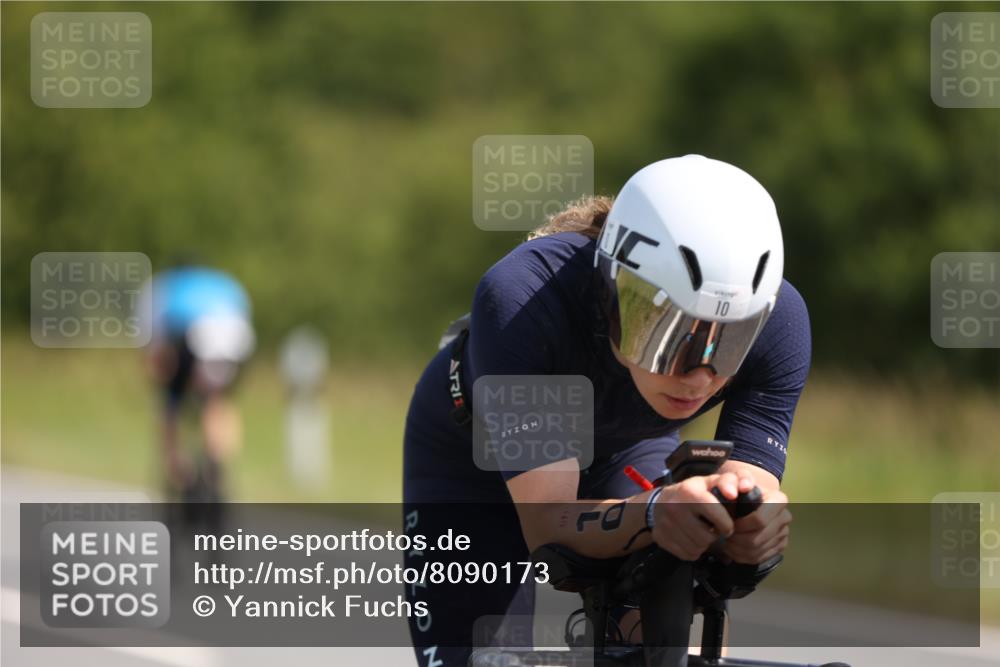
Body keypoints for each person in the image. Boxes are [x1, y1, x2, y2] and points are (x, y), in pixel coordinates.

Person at [402, 155, 811, 667]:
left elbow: (747, 494)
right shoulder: (525, 299)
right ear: (613, 294)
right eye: (668, 337)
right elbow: (548, 525)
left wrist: (750, 533)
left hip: (625, 449)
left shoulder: (784, 326)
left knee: (672, 638)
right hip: (470, 464)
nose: (700, 376)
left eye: (730, 342)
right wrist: (657, 511)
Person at [139, 264, 256, 502]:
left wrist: (162, 380)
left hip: (196, 337)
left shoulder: (164, 286)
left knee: (171, 400)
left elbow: (153, 341)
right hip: (237, 340)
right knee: (218, 399)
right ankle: (217, 458)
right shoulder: (222, 281)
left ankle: (177, 464)